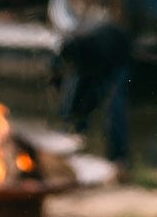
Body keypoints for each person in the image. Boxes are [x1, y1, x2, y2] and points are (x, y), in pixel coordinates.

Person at [54, 20, 132, 165]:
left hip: (118, 55)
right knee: (81, 98)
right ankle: (75, 138)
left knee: (115, 108)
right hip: (102, 55)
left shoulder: (91, 51)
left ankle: (119, 157)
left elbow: (92, 88)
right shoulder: (75, 48)